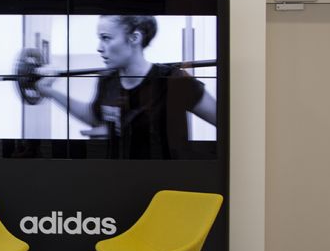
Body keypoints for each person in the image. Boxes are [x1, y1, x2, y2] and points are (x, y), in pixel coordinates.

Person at [37, 14, 217, 158]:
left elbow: (224, 122)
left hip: (165, 182)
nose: (99, 47)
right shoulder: (107, 80)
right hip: (118, 178)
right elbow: (94, 115)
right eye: (100, 38)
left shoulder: (174, 80)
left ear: (134, 38)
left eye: (106, 38)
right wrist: (49, 92)